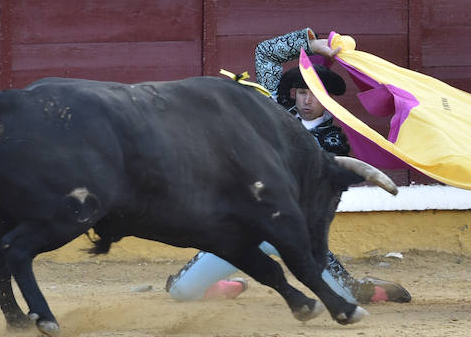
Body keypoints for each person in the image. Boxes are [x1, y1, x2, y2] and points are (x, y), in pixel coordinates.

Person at [165, 28, 411, 304]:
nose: (307, 100)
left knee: (347, 297)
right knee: (180, 291)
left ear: (328, 99)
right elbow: (265, 54)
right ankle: (220, 285)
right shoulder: (275, 110)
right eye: (302, 92)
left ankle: (362, 287)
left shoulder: (333, 143)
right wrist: (312, 45)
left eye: (315, 94)